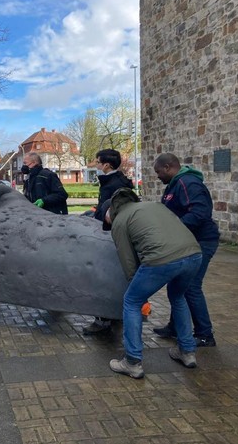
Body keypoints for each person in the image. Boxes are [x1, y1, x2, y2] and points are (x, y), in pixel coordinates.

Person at [104, 188, 202, 379]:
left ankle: (132, 361)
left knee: (132, 301)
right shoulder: (153, 205)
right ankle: (187, 352)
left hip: (162, 259)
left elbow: (128, 262)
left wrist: (141, 294)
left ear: (110, 212)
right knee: (178, 296)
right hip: (193, 254)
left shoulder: (120, 221)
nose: (108, 224)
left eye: (106, 221)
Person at [152, 153, 220, 347]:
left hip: (202, 241)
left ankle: (205, 334)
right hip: (186, 242)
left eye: (158, 171)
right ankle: (176, 327)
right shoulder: (173, 185)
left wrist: (175, 227)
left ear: (168, 167)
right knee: (178, 284)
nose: (157, 176)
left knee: (191, 287)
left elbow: (200, 213)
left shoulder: (188, 183)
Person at [83, 149, 135, 335]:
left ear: (106, 165)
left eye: (98, 162)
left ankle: (102, 319)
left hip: (109, 236)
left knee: (102, 277)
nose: (96, 165)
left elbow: (113, 212)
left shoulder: (112, 184)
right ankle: (113, 314)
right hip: (115, 236)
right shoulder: (119, 181)